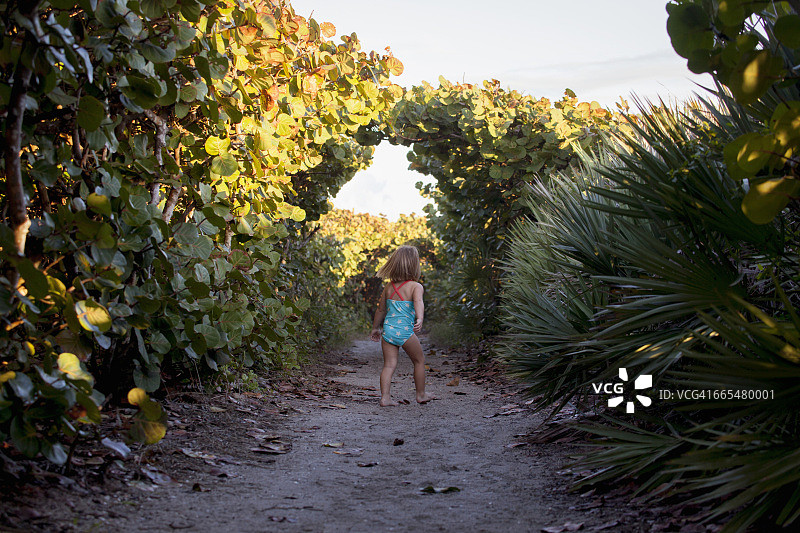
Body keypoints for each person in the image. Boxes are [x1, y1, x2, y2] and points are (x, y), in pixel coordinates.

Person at [370, 245, 436, 406]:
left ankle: (385, 397)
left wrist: (375, 328)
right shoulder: (415, 286)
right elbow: (418, 302)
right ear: (414, 265)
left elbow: (380, 309)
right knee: (419, 361)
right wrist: (420, 318)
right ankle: (421, 394)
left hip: (388, 332)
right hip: (405, 332)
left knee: (389, 365)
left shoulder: (388, 287)